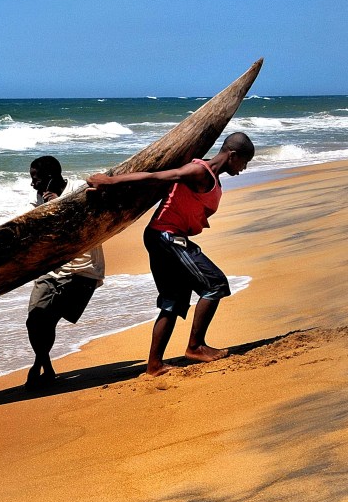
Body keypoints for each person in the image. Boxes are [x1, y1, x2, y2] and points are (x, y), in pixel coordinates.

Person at [86, 132, 254, 376]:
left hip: (164, 237)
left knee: (173, 300)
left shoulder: (212, 177)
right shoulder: (199, 172)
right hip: (166, 236)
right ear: (233, 155)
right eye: (244, 162)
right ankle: (195, 346)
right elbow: (156, 177)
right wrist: (110, 182)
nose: (244, 168)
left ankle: (154, 365)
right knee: (215, 283)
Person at [25, 156, 105, 388]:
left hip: (82, 270)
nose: (33, 184)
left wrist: (60, 203)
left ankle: (40, 366)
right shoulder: (39, 199)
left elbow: (94, 219)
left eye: (36, 179)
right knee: (34, 321)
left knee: (47, 320)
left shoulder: (80, 191)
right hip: (51, 270)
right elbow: (30, 228)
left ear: (51, 178)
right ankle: (45, 366)